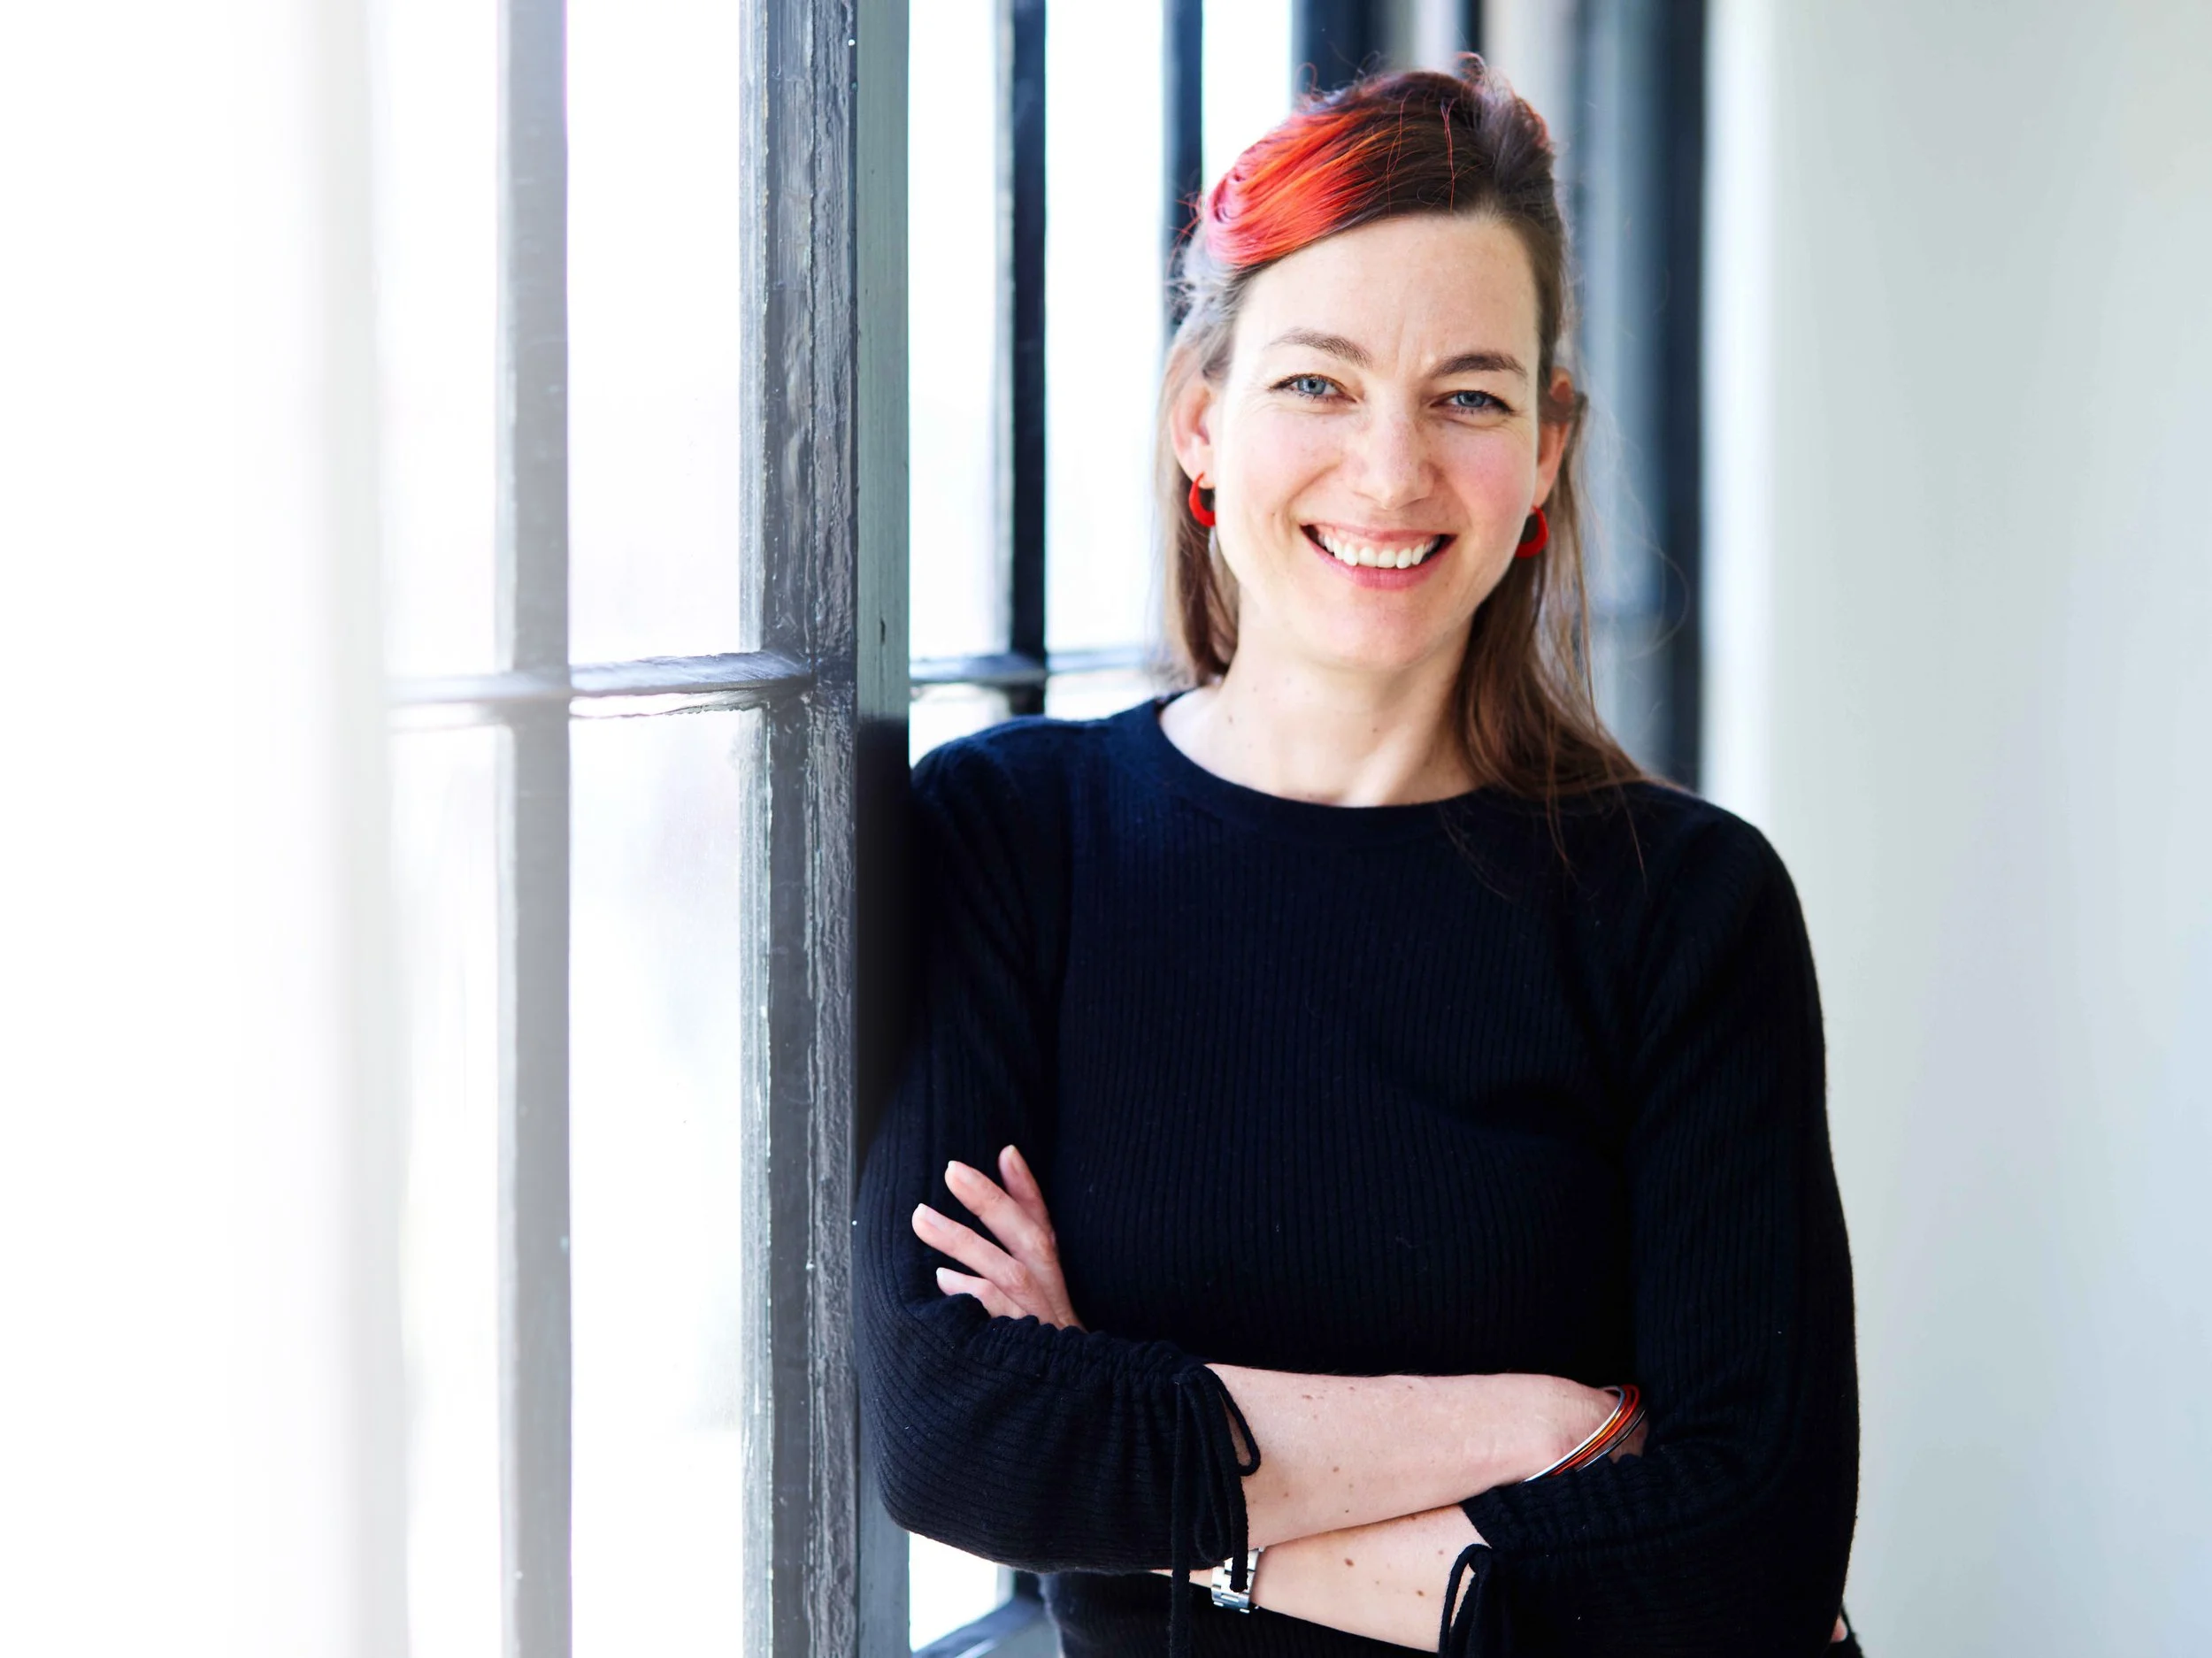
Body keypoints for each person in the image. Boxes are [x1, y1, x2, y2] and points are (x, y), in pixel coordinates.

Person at [856, 62, 1860, 1658]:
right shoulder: (1004, 840)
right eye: (1318, 383)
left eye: (1468, 395)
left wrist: (1165, 1515)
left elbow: (1749, 1547)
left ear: (1546, 449)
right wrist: (1532, 1428)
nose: (1390, 473)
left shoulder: (1690, 908)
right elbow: (952, 1429)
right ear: (1202, 417)